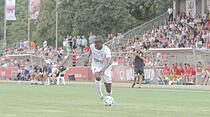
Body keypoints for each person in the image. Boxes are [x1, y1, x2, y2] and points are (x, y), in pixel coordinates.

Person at [85, 35, 112, 100]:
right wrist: (88, 58)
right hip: (96, 65)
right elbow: (90, 51)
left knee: (108, 87)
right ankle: (100, 94)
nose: (95, 45)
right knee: (97, 76)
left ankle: (109, 97)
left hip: (106, 67)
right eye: (95, 43)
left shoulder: (106, 49)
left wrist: (103, 69)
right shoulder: (92, 46)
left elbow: (109, 61)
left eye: (97, 44)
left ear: (101, 44)